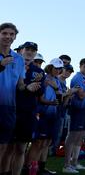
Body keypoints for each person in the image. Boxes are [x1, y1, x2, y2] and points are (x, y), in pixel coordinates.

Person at [0, 24, 41, 175]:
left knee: (4, 147)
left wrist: (28, 87)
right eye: (4, 33)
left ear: (15, 37)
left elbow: (20, 84)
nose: (8, 37)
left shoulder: (18, 59)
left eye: (11, 34)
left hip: (9, 108)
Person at [9, 42, 45, 175]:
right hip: (10, 110)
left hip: (27, 114)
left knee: (20, 149)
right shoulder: (11, 66)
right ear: (21, 50)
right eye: (27, 49)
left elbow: (41, 92)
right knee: (6, 148)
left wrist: (34, 88)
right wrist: (26, 87)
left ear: (35, 53)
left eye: (33, 50)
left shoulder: (39, 71)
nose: (30, 52)